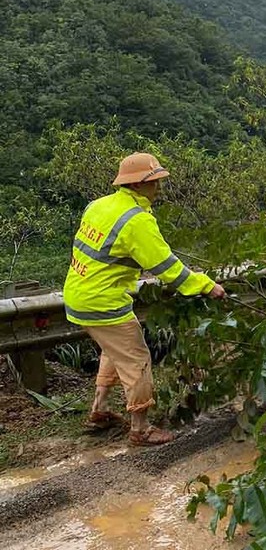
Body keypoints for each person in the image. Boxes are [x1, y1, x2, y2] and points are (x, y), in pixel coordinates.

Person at [63, 153, 226, 446]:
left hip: (78, 294)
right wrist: (205, 286)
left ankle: (98, 411)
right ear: (138, 184)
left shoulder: (98, 205)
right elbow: (167, 268)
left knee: (114, 349)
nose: (159, 188)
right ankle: (141, 429)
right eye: (155, 182)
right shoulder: (137, 221)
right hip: (103, 303)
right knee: (137, 359)